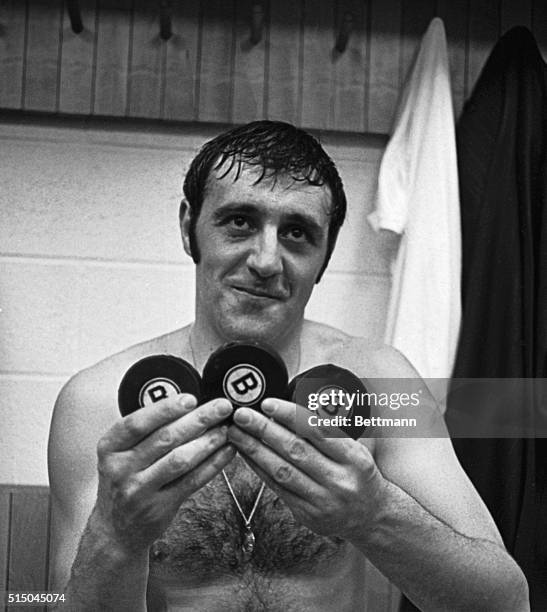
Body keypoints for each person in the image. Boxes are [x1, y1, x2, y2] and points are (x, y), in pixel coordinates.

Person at [48, 121, 528, 611]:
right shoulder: (98, 401)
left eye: (297, 233)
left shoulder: (380, 383)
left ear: (325, 256)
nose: (266, 260)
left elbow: (506, 602)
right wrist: (118, 536)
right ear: (189, 227)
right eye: (239, 221)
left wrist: (373, 513)